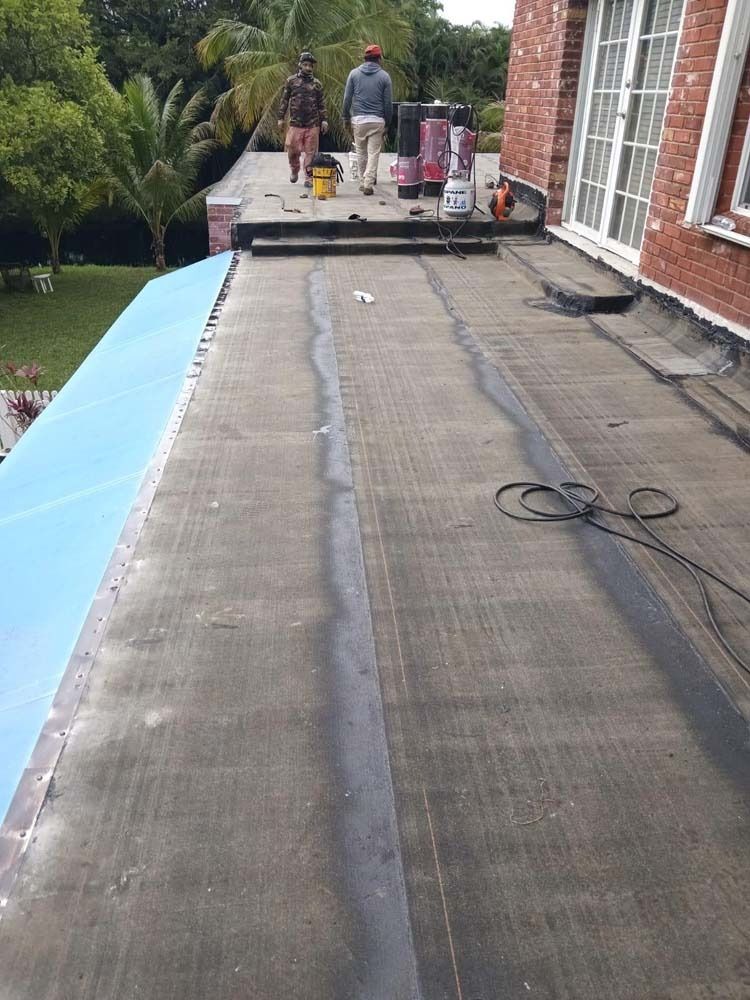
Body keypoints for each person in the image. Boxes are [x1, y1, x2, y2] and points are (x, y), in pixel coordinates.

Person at [342, 44, 393, 196]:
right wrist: (388, 122)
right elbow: (388, 103)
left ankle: (363, 181)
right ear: (379, 59)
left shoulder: (354, 74)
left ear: (365, 58)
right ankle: (368, 183)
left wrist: (345, 116)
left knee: (361, 152)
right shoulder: (384, 76)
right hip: (377, 120)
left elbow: (347, 98)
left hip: (358, 120)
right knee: (373, 153)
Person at [277, 52, 328, 187]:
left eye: (310, 66)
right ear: (300, 65)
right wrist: (280, 118)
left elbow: (321, 104)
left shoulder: (317, 84)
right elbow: (284, 100)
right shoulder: (291, 81)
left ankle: (308, 178)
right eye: (305, 65)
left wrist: (324, 120)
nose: (308, 68)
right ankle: (294, 170)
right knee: (292, 151)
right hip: (295, 123)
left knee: (311, 153)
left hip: (313, 124)